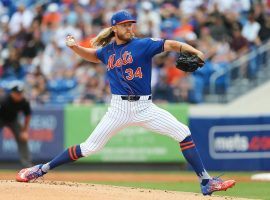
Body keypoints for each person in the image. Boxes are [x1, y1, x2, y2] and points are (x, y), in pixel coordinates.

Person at [16, 10, 235, 196]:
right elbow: (93, 55)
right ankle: (41, 169)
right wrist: (75, 48)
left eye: (131, 24)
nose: (130, 28)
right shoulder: (108, 51)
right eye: (125, 25)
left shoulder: (144, 45)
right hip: (118, 109)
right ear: (115, 29)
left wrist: (195, 51)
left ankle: (206, 182)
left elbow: (172, 44)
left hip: (145, 107)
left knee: (183, 131)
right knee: (90, 148)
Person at [0, 83, 32, 167]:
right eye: (17, 93)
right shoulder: (3, 100)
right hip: (1, 118)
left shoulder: (24, 101)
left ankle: (27, 165)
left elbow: (28, 116)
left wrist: (24, 131)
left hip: (13, 120)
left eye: (21, 93)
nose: (19, 95)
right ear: (12, 93)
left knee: (23, 138)